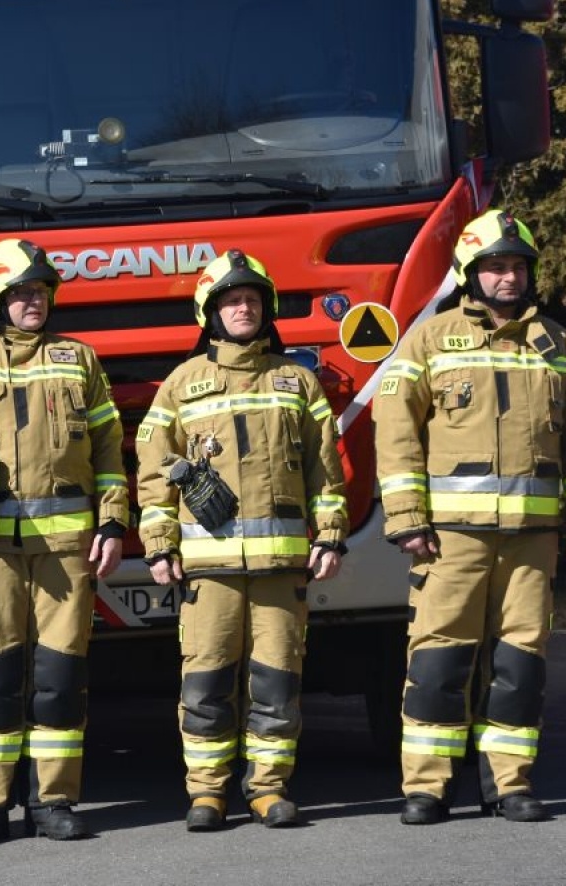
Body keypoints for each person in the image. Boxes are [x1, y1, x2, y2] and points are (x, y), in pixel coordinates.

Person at [373, 209, 566, 825]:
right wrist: (407, 517)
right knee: (438, 662)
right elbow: (395, 433)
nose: (508, 277)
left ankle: (511, 784)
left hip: (532, 539)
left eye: (517, 267)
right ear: (468, 273)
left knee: (520, 664)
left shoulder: (559, 344)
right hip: (448, 540)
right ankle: (426, 789)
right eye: (495, 267)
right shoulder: (429, 340)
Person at [0, 239, 129, 846]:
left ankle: (53, 801)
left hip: (67, 549)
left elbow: (110, 449)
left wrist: (113, 523)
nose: (34, 301)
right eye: (20, 293)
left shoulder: (78, 359)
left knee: (60, 679)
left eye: (40, 291)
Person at [135, 249, 348, 832]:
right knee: (205, 685)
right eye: (231, 301)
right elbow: (153, 469)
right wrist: (159, 544)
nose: (243, 309)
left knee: (277, 684)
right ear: (211, 313)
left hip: (282, 566)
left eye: (252, 300)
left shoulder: (298, 382)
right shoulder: (181, 384)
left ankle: (269, 789)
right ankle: (207, 793)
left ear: (266, 308)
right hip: (208, 570)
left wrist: (330, 535)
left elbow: (326, 471)